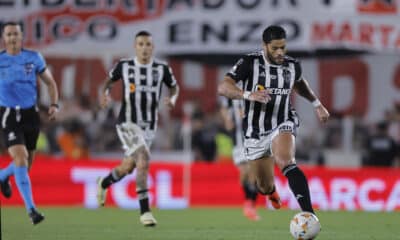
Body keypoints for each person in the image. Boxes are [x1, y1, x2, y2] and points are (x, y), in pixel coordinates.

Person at [218, 25, 330, 215]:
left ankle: (309, 214)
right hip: (255, 131)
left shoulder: (292, 65)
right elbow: (224, 87)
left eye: (283, 47)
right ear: (264, 45)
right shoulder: (249, 62)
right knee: (263, 185)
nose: (280, 52)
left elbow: (300, 84)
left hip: (283, 121)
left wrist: (317, 103)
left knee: (285, 160)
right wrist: (247, 94)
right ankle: (271, 192)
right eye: (275, 48)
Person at [96, 30, 179, 227]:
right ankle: (145, 211)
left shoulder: (162, 69)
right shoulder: (124, 66)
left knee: (128, 167)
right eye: (140, 44)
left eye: (148, 44)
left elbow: (174, 87)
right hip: (127, 123)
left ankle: (104, 182)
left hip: (149, 126)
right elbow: (108, 82)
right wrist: (105, 94)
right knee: (143, 159)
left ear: (153, 47)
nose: (144, 48)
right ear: (135, 47)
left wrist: (172, 99)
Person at [0, 21, 59, 225]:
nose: (12, 38)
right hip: (8, 113)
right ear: (4, 38)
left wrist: (54, 104)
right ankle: (32, 210)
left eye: (16, 34)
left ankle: (3, 176)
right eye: (9, 34)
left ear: (21, 36)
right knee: (21, 157)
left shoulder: (33, 58)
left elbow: (50, 83)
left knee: (26, 165)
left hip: (31, 115)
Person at [219, 96, 282, 221]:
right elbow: (224, 108)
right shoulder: (231, 91)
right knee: (244, 173)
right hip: (237, 139)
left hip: (254, 137)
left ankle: (250, 204)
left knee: (253, 172)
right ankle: (257, 196)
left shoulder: (255, 87)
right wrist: (227, 119)